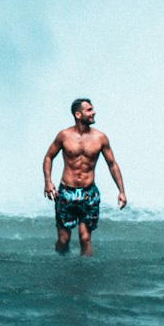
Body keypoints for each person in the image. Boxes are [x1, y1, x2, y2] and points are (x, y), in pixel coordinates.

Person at [42, 97, 127, 255]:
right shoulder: (64, 136)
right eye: (89, 110)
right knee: (63, 239)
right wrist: (48, 182)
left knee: (85, 238)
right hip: (66, 192)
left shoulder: (100, 138)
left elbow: (112, 164)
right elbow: (48, 157)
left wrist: (121, 191)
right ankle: (61, 263)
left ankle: (85, 274)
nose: (94, 112)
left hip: (89, 193)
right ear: (78, 114)